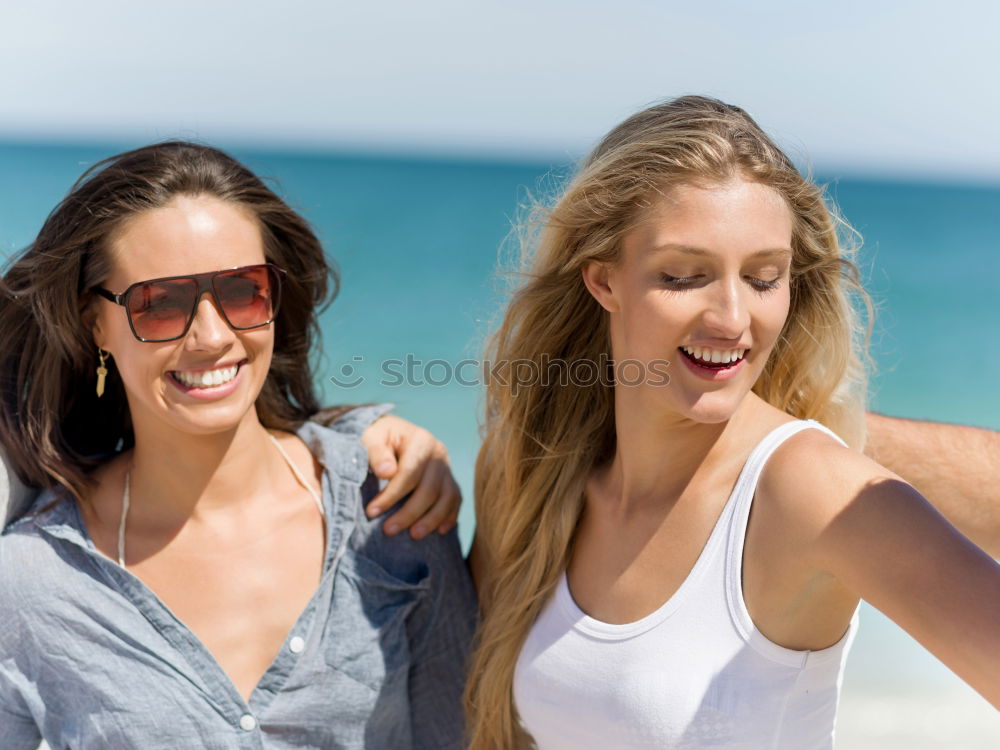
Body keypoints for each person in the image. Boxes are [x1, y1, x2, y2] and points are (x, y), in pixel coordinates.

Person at [465, 96, 1000, 749]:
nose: (731, 318)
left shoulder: (808, 489)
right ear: (605, 281)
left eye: (763, 278)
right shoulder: (531, 470)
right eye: (685, 275)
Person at [0, 141, 477, 749]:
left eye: (242, 291)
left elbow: (466, 735)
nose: (210, 336)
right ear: (94, 323)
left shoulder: (392, 505)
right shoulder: (32, 581)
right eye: (160, 304)